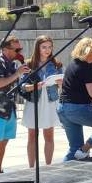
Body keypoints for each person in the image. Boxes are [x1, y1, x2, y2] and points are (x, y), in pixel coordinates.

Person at [0, 36, 30, 177]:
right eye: (17, 49)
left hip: (9, 109)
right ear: (5, 49)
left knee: (3, 142)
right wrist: (17, 73)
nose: (19, 52)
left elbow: (17, 86)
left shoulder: (13, 64)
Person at [20, 36, 63, 168]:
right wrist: (34, 86)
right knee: (32, 135)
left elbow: (62, 85)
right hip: (34, 101)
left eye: (50, 47)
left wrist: (61, 84)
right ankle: (31, 167)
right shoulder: (29, 65)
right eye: (44, 47)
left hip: (50, 101)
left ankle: (48, 166)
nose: (47, 50)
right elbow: (21, 86)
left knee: (49, 135)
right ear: (37, 48)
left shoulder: (57, 65)